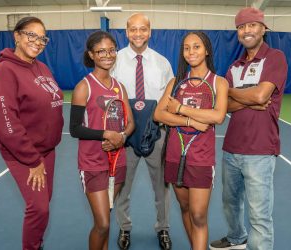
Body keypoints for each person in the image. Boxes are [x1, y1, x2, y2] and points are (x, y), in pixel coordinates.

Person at [209, 7, 288, 250]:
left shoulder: (275, 57)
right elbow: (225, 105)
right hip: (231, 148)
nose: (247, 30)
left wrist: (228, 90)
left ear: (263, 28)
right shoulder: (234, 66)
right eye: (242, 27)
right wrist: (246, 97)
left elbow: (262, 94)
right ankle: (236, 238)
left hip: (260, 150)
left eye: (252, 25)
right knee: (230, 204)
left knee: (259, 215)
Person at [0, 17, 63, 250]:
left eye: (42, 38)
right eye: (31, 35)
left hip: (47, 150)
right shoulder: (5, 72)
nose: (37, 42)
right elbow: (7, 124)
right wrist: (33, 160)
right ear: (17, 36)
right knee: (39, 208)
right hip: (25, 154)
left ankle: (36, 242)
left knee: (44, 203)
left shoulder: (41, 67)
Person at [154, 31, 228, 250]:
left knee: (198, 215)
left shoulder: (219, 83)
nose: (191, 52)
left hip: (201, 159)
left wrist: (179, 109)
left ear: (206, 50)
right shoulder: (176, 82)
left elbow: (217, 116)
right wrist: (191, 121)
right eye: (186, 48)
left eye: (196, 47)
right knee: (184, 208)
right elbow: (159, 114)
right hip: (175, 155)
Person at [111, 13, 174, 250]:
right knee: (122, 187)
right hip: (125, 135)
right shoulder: (114, 61)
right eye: (133, 29)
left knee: (162, 188)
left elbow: (168, 99)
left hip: (157, 133)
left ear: (150, 31)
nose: (138, 34)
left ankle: (163, 227)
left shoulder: (162, 63)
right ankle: (124, 228)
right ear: (126, 32)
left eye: (143, 29)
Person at [69, 30, 135, 250]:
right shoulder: (83, 87)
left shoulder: (119, 87)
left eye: (111, 50)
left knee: (105, 218)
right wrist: (105, 135)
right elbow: (75, 128)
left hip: (117, 161)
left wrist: (121, 138)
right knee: (103, 223)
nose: (107, 55)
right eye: (101, 51)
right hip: (92, 163)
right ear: (91, 54)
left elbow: (130, 124)